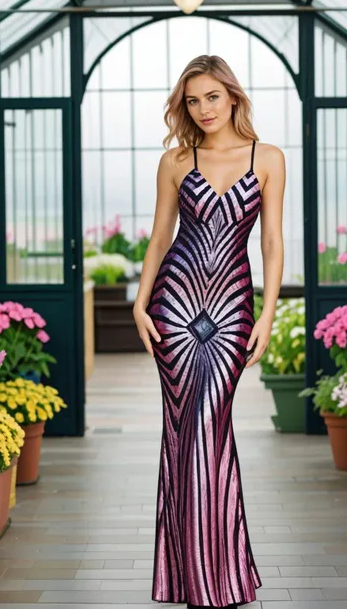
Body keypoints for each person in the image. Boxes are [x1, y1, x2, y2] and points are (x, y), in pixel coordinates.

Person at [133, 54, 286, 608]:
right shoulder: (176, 159)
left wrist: (267, 312)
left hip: (231, 309)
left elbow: (271, 242)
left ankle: (215, 573)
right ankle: (196, 575)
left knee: (208, 426)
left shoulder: (267, 157)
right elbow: (158, 237)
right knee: (182, 430)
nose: (203, 110)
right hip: (174, 306)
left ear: (233, 96)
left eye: (211, 97)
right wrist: (140, 301)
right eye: (193, 101)